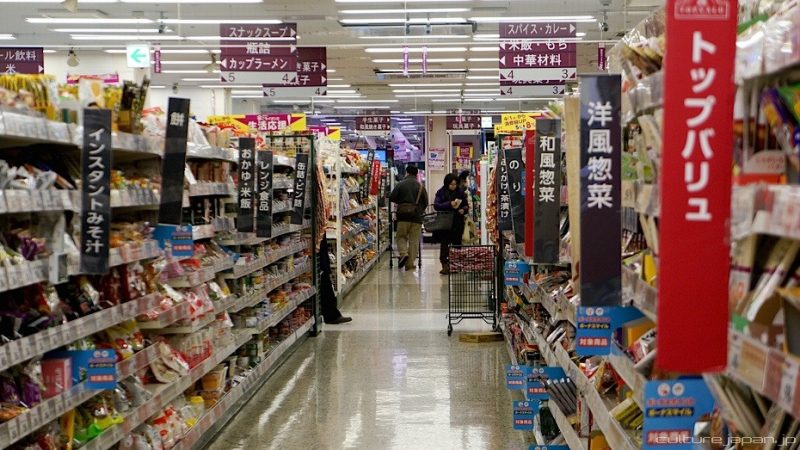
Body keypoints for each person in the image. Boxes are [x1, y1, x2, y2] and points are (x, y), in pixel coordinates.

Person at [389, 165, 428, 270]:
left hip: (402, 217)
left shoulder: (400, 184)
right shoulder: (421, 186)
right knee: (414, 241)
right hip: (416, 218)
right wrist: (419, 210)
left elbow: (392, 197)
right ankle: (409, 264)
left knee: (401, 236)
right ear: (416, 174)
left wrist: (402, 202)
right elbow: (426, 202)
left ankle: (403, 253)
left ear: (406, 172)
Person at [433, 173, 469, 275]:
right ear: (447, 184)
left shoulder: (460, 192)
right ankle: (445, 265)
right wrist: (449, 204)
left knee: (457, 244)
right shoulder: (441, 192)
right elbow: (436, 205)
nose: (453, 186)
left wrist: (463, 210)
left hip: (457, 222)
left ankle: (455, 265)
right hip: (445, 222)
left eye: (455, 184)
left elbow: (466, 205)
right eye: (451, 184)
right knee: (444, 244)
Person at [318, 238, 352, 324]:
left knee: (326, 284)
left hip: (319, 248)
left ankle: (332, 315)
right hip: (318, 253)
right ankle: (331, 316)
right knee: (325, 285)